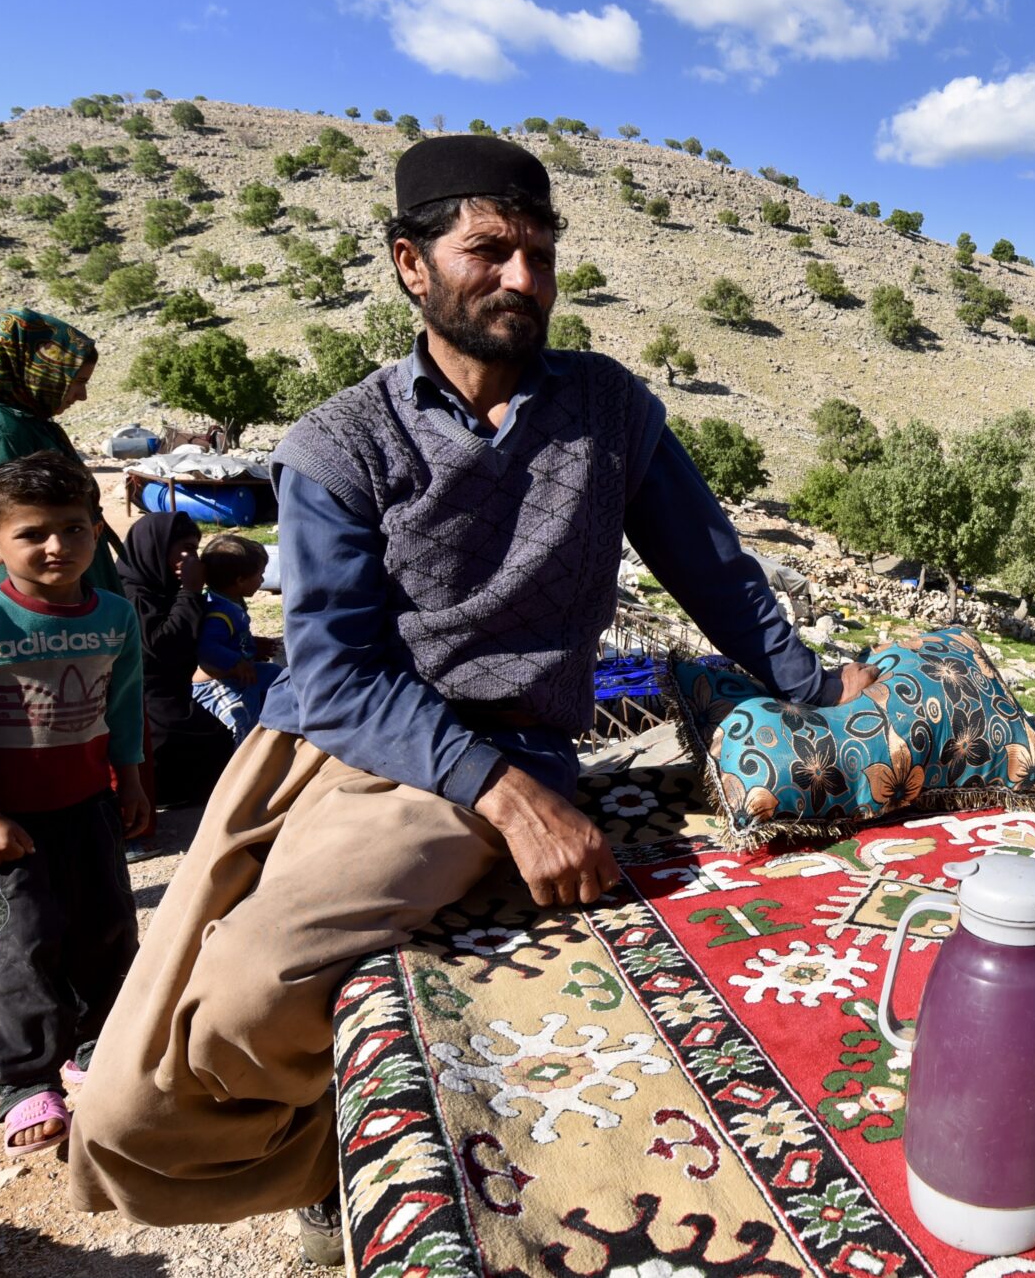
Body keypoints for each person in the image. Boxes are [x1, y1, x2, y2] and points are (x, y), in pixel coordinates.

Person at [67, 135, 879, 1265]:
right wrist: (509, 799)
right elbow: (338, 671)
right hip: (334, 743)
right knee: (138, 1095)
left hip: (468, 762)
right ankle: (346, 1151)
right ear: (410, 264)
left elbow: (714, 572)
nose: (521, 279)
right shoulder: (340, 444)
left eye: (539, 253)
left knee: (247, 997)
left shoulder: (607, 412)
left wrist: (814, 686)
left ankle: (346, 1155)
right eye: (488, 249)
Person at [0, 452, 149, 1158]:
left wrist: (133, 780)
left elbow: (122, 708)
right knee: (20, 943)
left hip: (88, 805)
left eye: (74, 527)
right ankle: (26, 1078)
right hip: (9, 821)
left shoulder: (116, 615)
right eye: (33, 533)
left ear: (97, 529)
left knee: (108, 925)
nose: (57, 545)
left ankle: (98, 1046)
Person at [0, 309, 125, 597]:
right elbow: (25, 516)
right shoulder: (4, 429)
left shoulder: (26, 422)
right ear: (40, 369)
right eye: (78, 381)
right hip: (47, 589)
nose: (81, 395)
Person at [115, 512, 235, 808]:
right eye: (183, 548)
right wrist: (191, 592)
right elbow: (162, 648)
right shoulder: (131, 594)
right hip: (146, 704)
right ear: (154, 548)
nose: (190, 558)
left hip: (174, 696)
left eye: (195, 549)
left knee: (217, 739)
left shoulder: (165, 589)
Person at [190, 534, 282, 743]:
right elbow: (208, 648)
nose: (262, 580)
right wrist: (236, 662)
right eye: (259, 575)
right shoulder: (218, 612)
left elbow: (231, 636)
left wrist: (252, 644)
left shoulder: (231, 601)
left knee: (279, 677)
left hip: (241, 671)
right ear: (240, 580)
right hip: (217, 682)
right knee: (241, 720)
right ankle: (241, 759)